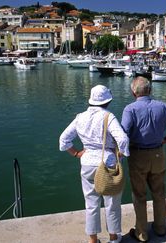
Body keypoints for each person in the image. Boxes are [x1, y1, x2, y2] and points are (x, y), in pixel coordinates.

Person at [59, 85, 129, 243]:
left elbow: (64, 139)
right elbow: (123, 139)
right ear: (107, 101)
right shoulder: (108, 117)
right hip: (107, 163)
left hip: (87, 163)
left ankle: (93, 240)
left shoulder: (80, 117)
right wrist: (121, 155)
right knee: (111, 203)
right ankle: (113, 238)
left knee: (91, 203)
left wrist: (76, 153)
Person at [121, 77, 166, 242]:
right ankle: (160, 228)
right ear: (150, 90)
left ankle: (142, 233)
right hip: (158, 154)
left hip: (138, 156)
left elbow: (123, 135)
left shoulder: (130, 109)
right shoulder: (162, 106)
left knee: (139, 194)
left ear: (133, 92)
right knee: (159, 193)